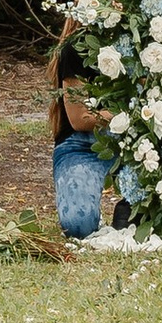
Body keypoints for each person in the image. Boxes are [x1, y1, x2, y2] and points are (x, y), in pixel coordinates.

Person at [50, 25, 107, 241]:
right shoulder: (76, 47)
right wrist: (126, 116)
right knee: (78, 225)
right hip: (83, 145)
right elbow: (79, 119)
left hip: (138, 143)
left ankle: (129, 207)